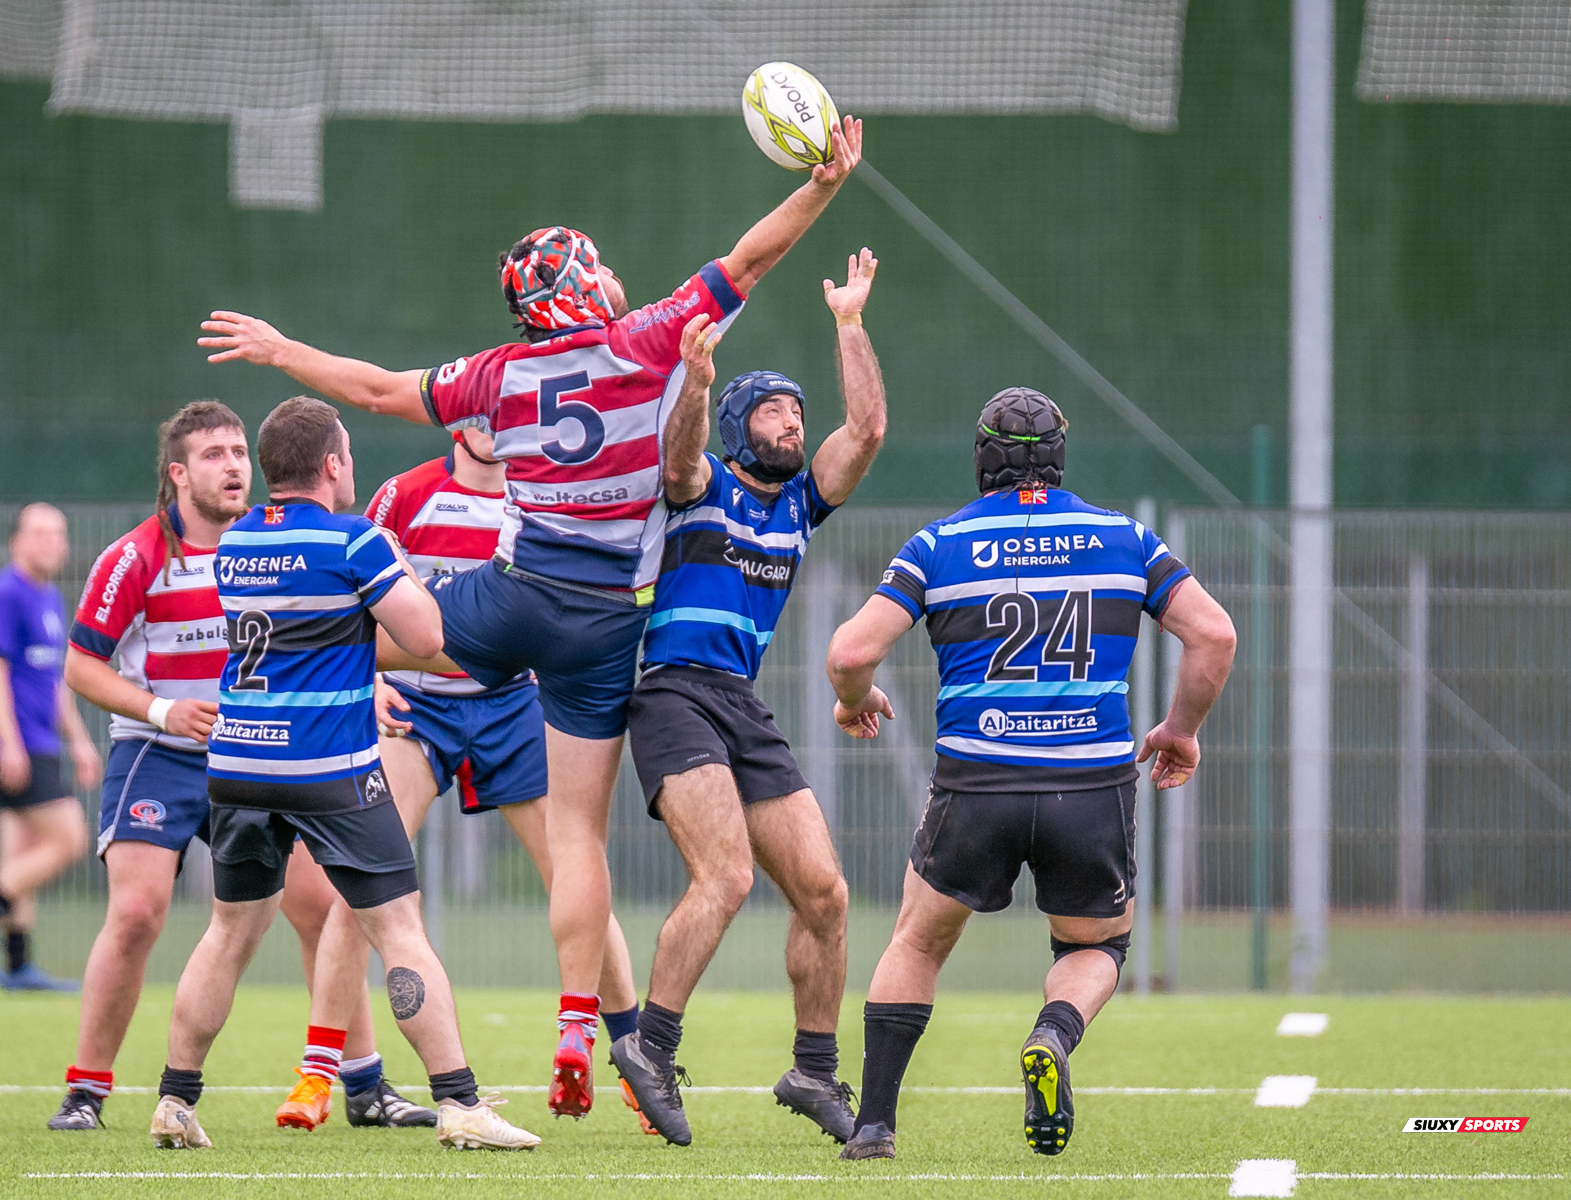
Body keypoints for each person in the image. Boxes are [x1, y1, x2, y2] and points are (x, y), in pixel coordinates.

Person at [198, 116, 864, 1114]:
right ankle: (576, 1021)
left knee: (371, 636)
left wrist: (283, 348)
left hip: (510, 595)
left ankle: (273, 685)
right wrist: (823, 185)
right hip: (602, 624)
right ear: (586, 284)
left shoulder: (498, 376)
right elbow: (753, 258)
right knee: (577, 837)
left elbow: (378, 392)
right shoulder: (645, 340)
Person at [824, 388, 1238, 1161]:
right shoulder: (1126, 540)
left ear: (982, 458)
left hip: (976, 785)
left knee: (917, 942)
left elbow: (850, 653)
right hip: (1091, 788)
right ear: (1059, 454)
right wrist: (1180, 730)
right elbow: (1214, 634)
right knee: (1096, 948)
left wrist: (857, 699)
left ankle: (874, 1127)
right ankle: (1052, 1034)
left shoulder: (938, 544)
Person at [150, 396, 538, 1153]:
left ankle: (174, 1098)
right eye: (349, 454)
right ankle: (459, 1102)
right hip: (326, 765)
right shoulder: (357, 542)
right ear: (332, 464)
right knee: (397, 929)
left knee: (228, 933)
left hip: (238, 762)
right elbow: (423, 634)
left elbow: (317, 634)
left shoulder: (233, 545)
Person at [48, 401, 423, 1132]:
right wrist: (162, 710)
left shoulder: (268, 545)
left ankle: (364, 1084)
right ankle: (86, 1091)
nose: (233, 466)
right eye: (214, 455)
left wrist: (366, 682)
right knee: (136, 913)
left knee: (324, 909)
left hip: (259, 752)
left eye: (239, 452)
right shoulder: (138, 556)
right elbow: (80, 665)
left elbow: (322, 633)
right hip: (158, 754)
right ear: (177, 475)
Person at [273, 424, 645, 1134]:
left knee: (575, 870)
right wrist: (368, 680)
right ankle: (317, 1074)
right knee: (362, 886)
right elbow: (351, 603)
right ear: (458, 424)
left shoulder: (539, 501)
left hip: (511, 705)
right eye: (485, 416)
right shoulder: (405, 495)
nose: (500, 429)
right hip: (418, 709)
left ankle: (636, 1061)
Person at [609, 250, 886, 1147]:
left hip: (740, 701)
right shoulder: (705, 486)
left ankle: (812, 1070)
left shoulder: (800, 504)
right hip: (672, 694)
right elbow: (677, 457)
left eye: (797, 411)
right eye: (773, 409)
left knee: (827, 895)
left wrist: (849, 322)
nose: (793, 422)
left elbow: (869, 430)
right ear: (740, 422)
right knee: (724, 876)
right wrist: (693, 381)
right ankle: (651, 1048)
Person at [0, 503, 101, 991]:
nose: (51, 542)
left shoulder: (50, 597)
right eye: (39, 533)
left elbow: (54, 681)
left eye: (58, 533)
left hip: (44, 742)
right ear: (17, 540)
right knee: (69, 839)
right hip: (19, 746)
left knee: (22, 849)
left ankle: (18, 966)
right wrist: (9, 743)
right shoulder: (4, 591)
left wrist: (79, 740)